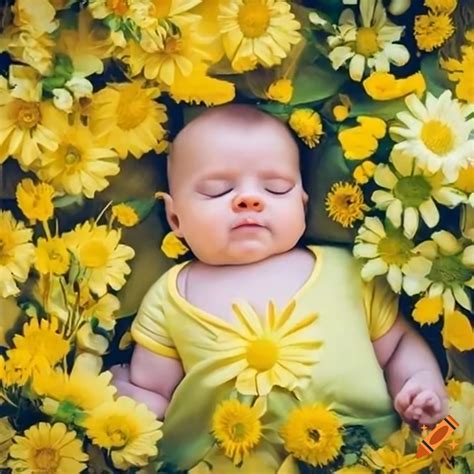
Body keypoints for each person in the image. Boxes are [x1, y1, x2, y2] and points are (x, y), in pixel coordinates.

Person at [111, 104, 448, 472]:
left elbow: (397, 345)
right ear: (176, 218)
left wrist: (421, 385)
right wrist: (125, 398)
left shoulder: (348, 271)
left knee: (443, 445)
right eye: (217, 190)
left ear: (302, 205)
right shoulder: (171, 294)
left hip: (368, 456)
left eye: (276, 187)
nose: (249, 199)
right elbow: (155, 396)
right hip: (231, 459)